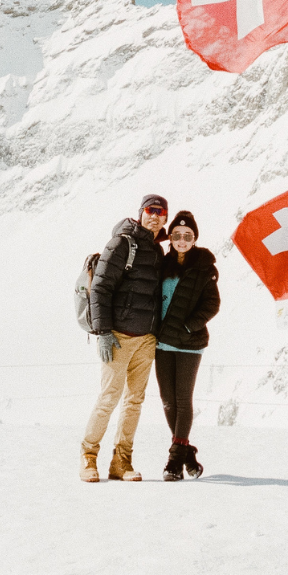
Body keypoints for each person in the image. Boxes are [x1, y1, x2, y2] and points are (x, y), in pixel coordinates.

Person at [81, 194, 168, 482]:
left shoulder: (157, 251)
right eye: (150, 210)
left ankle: (121, 462)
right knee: (108, 399)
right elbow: (101, 289)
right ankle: (88, 457)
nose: (154, 216)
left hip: (146, 340)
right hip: (117, 336)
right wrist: (103, 332)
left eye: (160, 212)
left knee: (134, 402)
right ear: (141, 213)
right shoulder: (122, 243)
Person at [154, 209, 219, 480]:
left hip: (190, 342)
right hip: (163, 343)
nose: (182, 240)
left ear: (195, 239)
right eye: (177, 235)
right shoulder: (163, 264)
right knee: (168, 401)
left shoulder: (204, 266)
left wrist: (188, 325)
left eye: (187, 236)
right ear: (170, 237)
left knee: (183, 398)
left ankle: (174, 461)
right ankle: (185, 450)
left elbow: (212, 304)